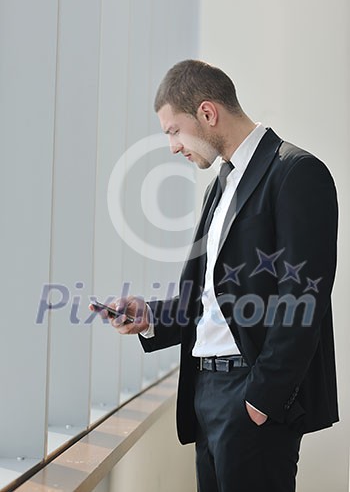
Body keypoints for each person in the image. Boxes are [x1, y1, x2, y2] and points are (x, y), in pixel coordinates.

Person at [90, 60, 339, 492]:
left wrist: (262, 400)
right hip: (206, 392)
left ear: (207, 113)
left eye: (172, 131)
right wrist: (148, 315)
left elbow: (304, 300)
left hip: (251, 396)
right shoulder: (219, 185)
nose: (171, 146)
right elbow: (210, 299)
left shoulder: (297, 173)